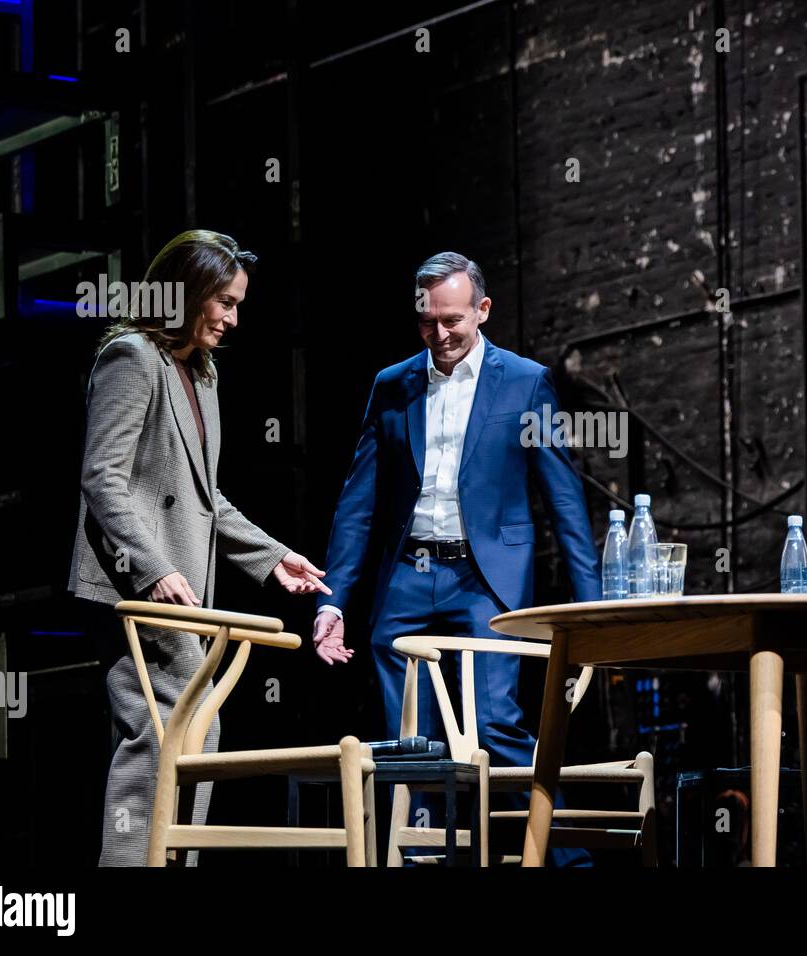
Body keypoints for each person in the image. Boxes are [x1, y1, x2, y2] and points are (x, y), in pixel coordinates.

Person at [313, 251, 600, 866]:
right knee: (408, 741)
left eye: (453, 321)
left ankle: (566, 859)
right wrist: (331, 600)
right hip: (407, 582)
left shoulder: (525, 381)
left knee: (495, 725)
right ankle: (426, 859)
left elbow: (565, 504)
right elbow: (357, 504)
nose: (439, 335)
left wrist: (592, 614)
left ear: (482, 310)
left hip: (484, 581)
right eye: (427, 321)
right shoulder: (391, 386)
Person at [69, 229, 330, 865]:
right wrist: (152, 568)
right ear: (187, 294)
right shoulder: (131, 357)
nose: (233, 319)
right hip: (135, 584)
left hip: (185, 591)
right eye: (225, 302)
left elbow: (206, 500)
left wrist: (272, 559)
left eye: (238, 304)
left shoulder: (201, 374)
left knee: (199, 732)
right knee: (159, 736)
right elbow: (103, 479)